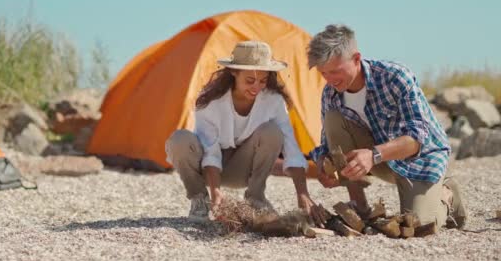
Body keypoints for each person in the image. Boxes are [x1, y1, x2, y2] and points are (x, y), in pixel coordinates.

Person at [307, 24, 467, 231]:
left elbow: (418, 139)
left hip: (421, 160)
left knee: (418, 226)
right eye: (323, 73)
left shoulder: (395, 77)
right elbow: (328, 143)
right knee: (333, 118)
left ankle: (447, 195)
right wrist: (323, 163)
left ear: (356, 59)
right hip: (380, 161)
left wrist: (372, 155)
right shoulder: (330, 93)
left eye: (335, 71)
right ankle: (360, 207)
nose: (329, 80)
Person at [165, 41, 326, 225]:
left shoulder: (273, 101)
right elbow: (210, 151)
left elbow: (290, 146)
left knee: (272, 132)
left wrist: (303, 194)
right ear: (233, 72)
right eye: (250, 81)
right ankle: (200, 200)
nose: (257, 87)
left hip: (242, 169)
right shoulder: (210, 101)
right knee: (179, 140)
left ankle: (256, 198)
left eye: (263, 81)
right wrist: (216, 193)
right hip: (208, 170)